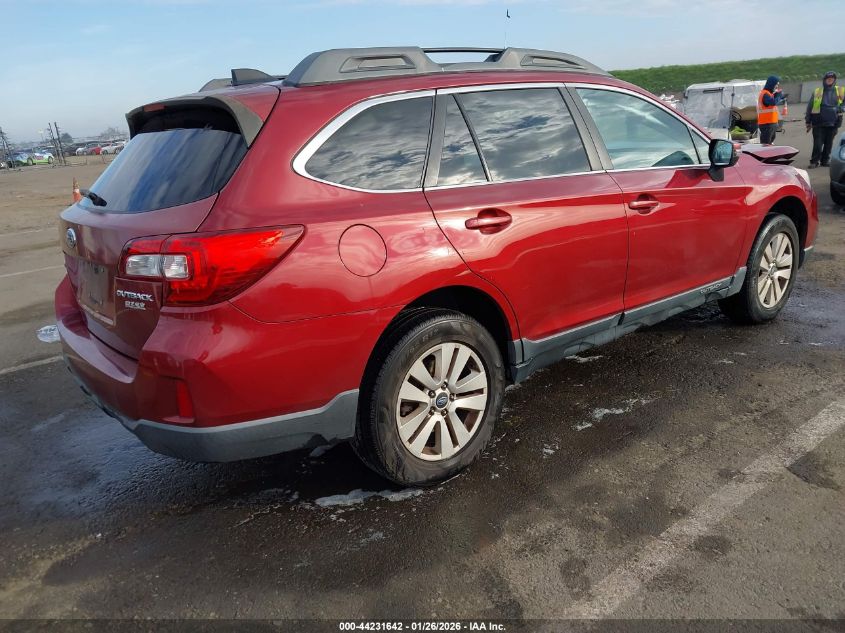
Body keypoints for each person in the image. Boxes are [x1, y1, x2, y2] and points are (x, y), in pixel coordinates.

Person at [805, 71, 845, 168]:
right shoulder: (818, 91)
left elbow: (844, 104)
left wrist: (842, 108)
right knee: (818, 144)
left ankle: (825, 160)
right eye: (828, 79)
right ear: (824, 80)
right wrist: (808, 120)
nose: (830, 80)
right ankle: (814, 161)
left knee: (829, 143)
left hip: (834, 121)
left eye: (832, 79)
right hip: (818, 122)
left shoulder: (840, 91)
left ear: (834, 80)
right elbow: (810, 106)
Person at [757, 75, 784, 145]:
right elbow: (773, 102)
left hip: (770, 123)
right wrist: (779, 95)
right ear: (772, 84)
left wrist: (777, 95)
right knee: (765, 144)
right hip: (767, 124)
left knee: (769, 143)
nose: (777, 86)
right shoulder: (765, 94)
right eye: (776, 84)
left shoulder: (769, 94)